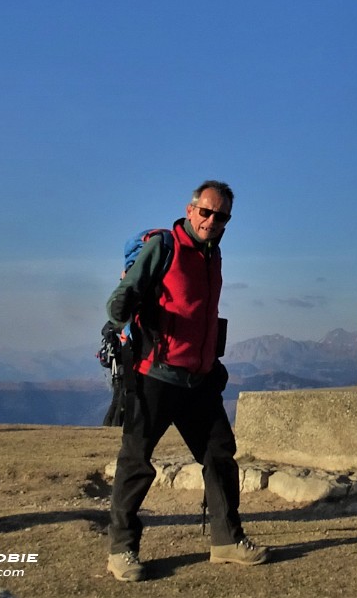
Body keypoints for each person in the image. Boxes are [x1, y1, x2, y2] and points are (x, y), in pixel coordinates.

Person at [105, 180, 268, 582]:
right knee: (136, 462)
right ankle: (122, 551)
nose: (213, 221)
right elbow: (118, 302)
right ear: (191, 209)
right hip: (154, 376)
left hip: (199, 379)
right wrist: (127, 319)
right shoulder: (164, 247)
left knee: (219, 456)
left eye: (222, 216)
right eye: (207, 212)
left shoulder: (213, 256)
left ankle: (227, 541)